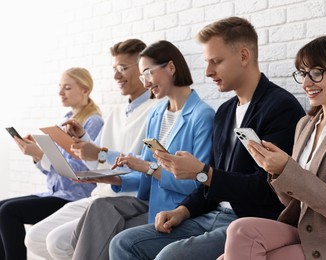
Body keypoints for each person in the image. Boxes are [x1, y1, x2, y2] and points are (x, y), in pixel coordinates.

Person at [109, 17, 306, 260]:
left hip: (250, 223)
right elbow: (210, 179)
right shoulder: (224, 113)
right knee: (124, 243)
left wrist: (202, 172)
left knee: (170, 257)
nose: (208, 71)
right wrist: (183, 210)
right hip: (212, 215)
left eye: (216, 61)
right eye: (207, 62)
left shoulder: (280, 108)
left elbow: (267, 188)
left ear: (244, 56)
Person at [219, 35, 326, 260]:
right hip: (310, 228)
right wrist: (279, 172)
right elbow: (296, 202)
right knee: (240, 230)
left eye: (316, 72)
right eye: (303, 73)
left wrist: (289, 169)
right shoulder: (305, 125)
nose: (306, 83)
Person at [69, 40, 215, 260]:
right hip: (151, 203)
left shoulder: (202, 116)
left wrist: (148, 168)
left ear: (171, 67)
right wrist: (118, 180)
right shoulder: (156, 115)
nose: (146, 84)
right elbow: (145, 173)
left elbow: (199, 184)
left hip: (179, 210)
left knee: (101, 231)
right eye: (142, 77)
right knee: (99, 208)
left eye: (148, 74)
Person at [24, 39, 160, 260]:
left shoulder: (156, 110)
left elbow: (147, 164)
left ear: (144, 68)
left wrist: (99, 154)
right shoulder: (117, 112)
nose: (116, 76)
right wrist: (83, 140)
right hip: (98, 195)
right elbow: (97, 163)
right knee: (34, 237)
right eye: (114, 69)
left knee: (57, 242)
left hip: (127, 198)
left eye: (123, 68)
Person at [0, 67, 104, 260]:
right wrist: (37, 155)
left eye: (67, 87)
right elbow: (53, 173)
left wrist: (43, 155)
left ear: (85, 90)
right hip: (55, 192)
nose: (60, 92)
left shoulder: (93, 123)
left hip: (74, 196)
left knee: (7, 212)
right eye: (59, 87)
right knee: (1, 207)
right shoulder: (65, 121)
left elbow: (85, 169)